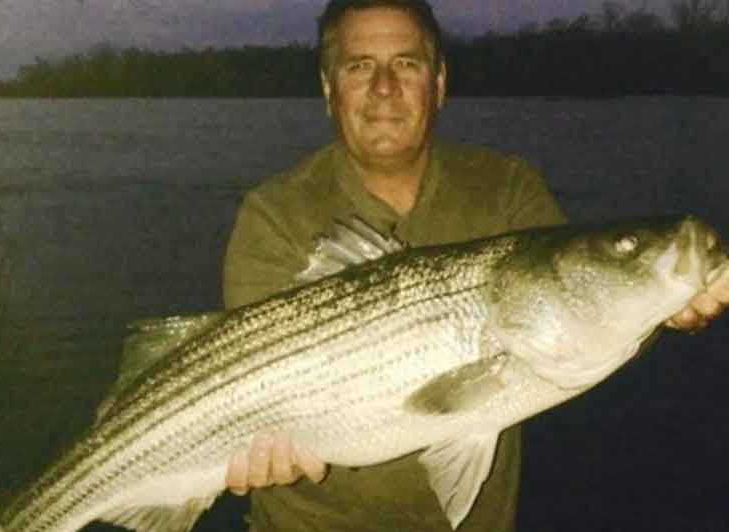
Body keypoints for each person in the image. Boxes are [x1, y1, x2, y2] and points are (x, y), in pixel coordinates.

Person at [221, 1, 729, 531]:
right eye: (359, 66)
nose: (385, 87)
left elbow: (585, 320)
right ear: (328, 89)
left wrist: (669, 305)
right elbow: (248, 379)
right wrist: (258, 452)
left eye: (407, 64)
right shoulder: (274, 213)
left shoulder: (507, 188)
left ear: (438, 83)